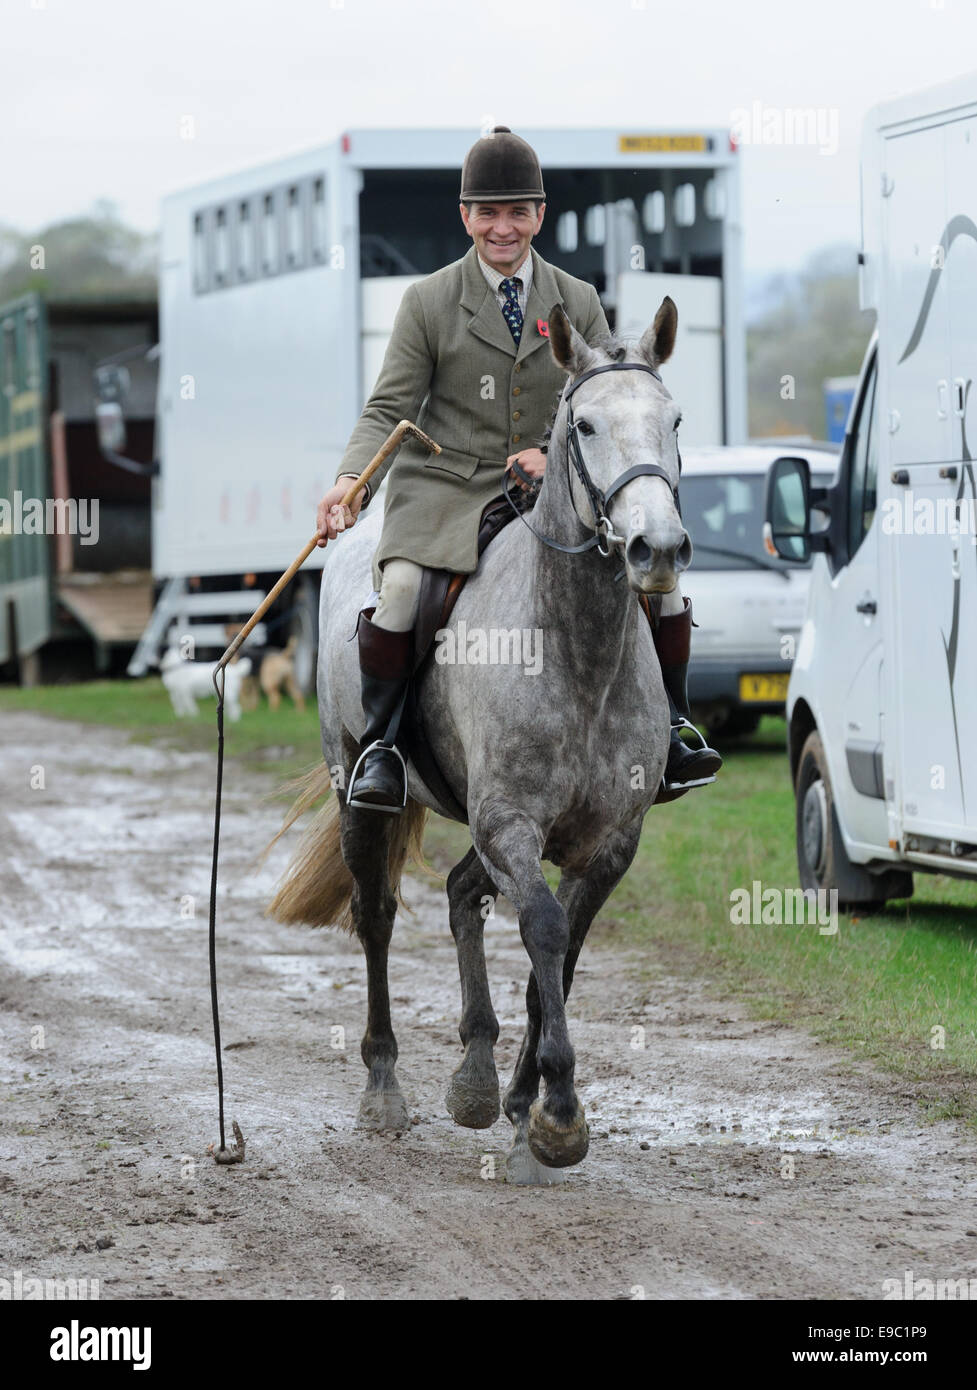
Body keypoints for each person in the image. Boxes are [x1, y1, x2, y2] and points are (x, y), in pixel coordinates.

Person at [316, 126, 722, 812]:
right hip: (444, 486)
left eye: (516, 212)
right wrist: (350, 482)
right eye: (487, 213)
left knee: (664, 589)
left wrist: (548, 449)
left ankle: (675, 727)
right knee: (404, 593)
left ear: (539, 215)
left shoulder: (578, 298)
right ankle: (383, 745)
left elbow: (605, 393)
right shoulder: (427, 302)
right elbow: (388, 408)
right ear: (464, 216)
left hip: (550, 488)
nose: (501, 228)